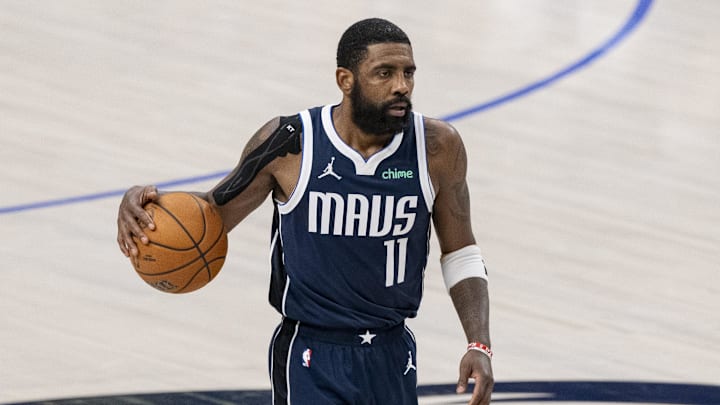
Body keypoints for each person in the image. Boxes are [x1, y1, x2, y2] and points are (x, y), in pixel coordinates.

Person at [117, 18, 493, 405]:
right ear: (345, 79)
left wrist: (479, 342)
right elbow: (212, 212)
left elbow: (462, 251)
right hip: (311, 353)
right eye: (385, 73)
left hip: (392, 350)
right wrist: (145, 203)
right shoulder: (291, 144)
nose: (402, 85)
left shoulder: (436, 148)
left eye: (408, 73)